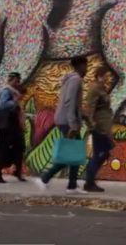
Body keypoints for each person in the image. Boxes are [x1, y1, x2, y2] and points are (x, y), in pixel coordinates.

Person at [33, 56, 88, 194]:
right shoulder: (75, 80)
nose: (86, 69)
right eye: (85, 66)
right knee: (71, 153)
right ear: (80, 66)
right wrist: (73, 125)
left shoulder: (70, 79)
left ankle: (72, 185)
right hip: (68, 121)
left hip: (66, 119)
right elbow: (69, 102)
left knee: (76, 151)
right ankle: (45, 178)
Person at [83, 66, 114, 192]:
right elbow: (89, 108)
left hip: (104, 127)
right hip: (99, 127)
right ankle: (89, 181)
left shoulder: (101, 89)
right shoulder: (95, 89)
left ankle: (90, 179)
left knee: (102, 153)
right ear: (100, 75)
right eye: (106, 75)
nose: (108, 78)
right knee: (101, 153)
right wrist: (92, 126)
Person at [0, 72, 26, 183]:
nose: (18, 83)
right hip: (7, 124)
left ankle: (17, 170)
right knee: (3, 147)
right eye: (17, 80)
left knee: (19, 146)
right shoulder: (6, 91)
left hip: (14, 124)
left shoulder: (14, 92)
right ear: (12, 80)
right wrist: (15, 101)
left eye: (19, 80)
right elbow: (3, 105)